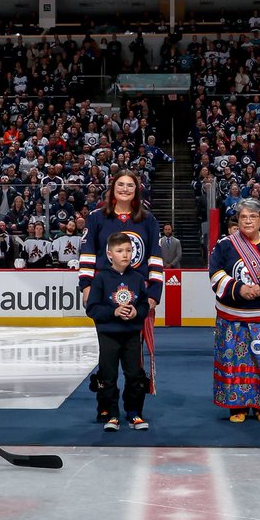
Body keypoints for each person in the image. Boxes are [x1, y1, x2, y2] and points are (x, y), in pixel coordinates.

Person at [79, 171, 163, 419]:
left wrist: (153, 295)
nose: (125, 189)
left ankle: (133, 408)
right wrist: (86, 287)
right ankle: (106, 407)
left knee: (132, 358)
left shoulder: (148, 220)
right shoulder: (96, 218)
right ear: (112, 187)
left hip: (138, 297)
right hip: (104, 295)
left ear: (137, 190)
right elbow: (88, 255)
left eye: (130, 185)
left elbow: (155, 259)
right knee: (108, 358)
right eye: (120, 184)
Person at [209, 198, 260, 423]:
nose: (247, 221)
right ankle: (237, 406)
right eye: (243, 217)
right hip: (231, 318)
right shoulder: (225, 245)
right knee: (233, 364)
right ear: (238, 219)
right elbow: (215, 273)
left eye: (252, 217)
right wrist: (239, 289)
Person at [84, 232, 152, 431]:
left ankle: (134, 413)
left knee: (135, 375)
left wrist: (135, 313)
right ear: (109, 253)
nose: (125, 255)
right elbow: (92, 309)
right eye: (120, 250)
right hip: (108, 335)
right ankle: (111, 413)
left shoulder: (138, 279)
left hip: (131, 334)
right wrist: (113, 311)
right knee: (108, 375)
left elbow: (144, 306)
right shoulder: (100, 279)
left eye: (129, 250)